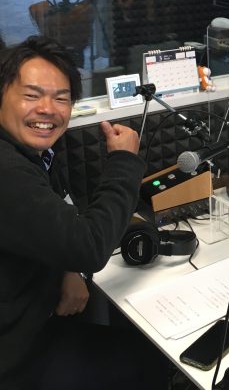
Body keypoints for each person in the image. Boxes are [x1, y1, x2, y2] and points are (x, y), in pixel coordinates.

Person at [0, 36, 169, 389]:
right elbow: (88, 246)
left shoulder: (33, 154)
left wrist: (67, 268)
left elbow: (55, 219)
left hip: (32, 327)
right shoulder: (8, 170)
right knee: (150, 356)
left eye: (61, 98)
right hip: (17, 360)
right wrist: (124, 161)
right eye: (32, 95)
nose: (48, 109)